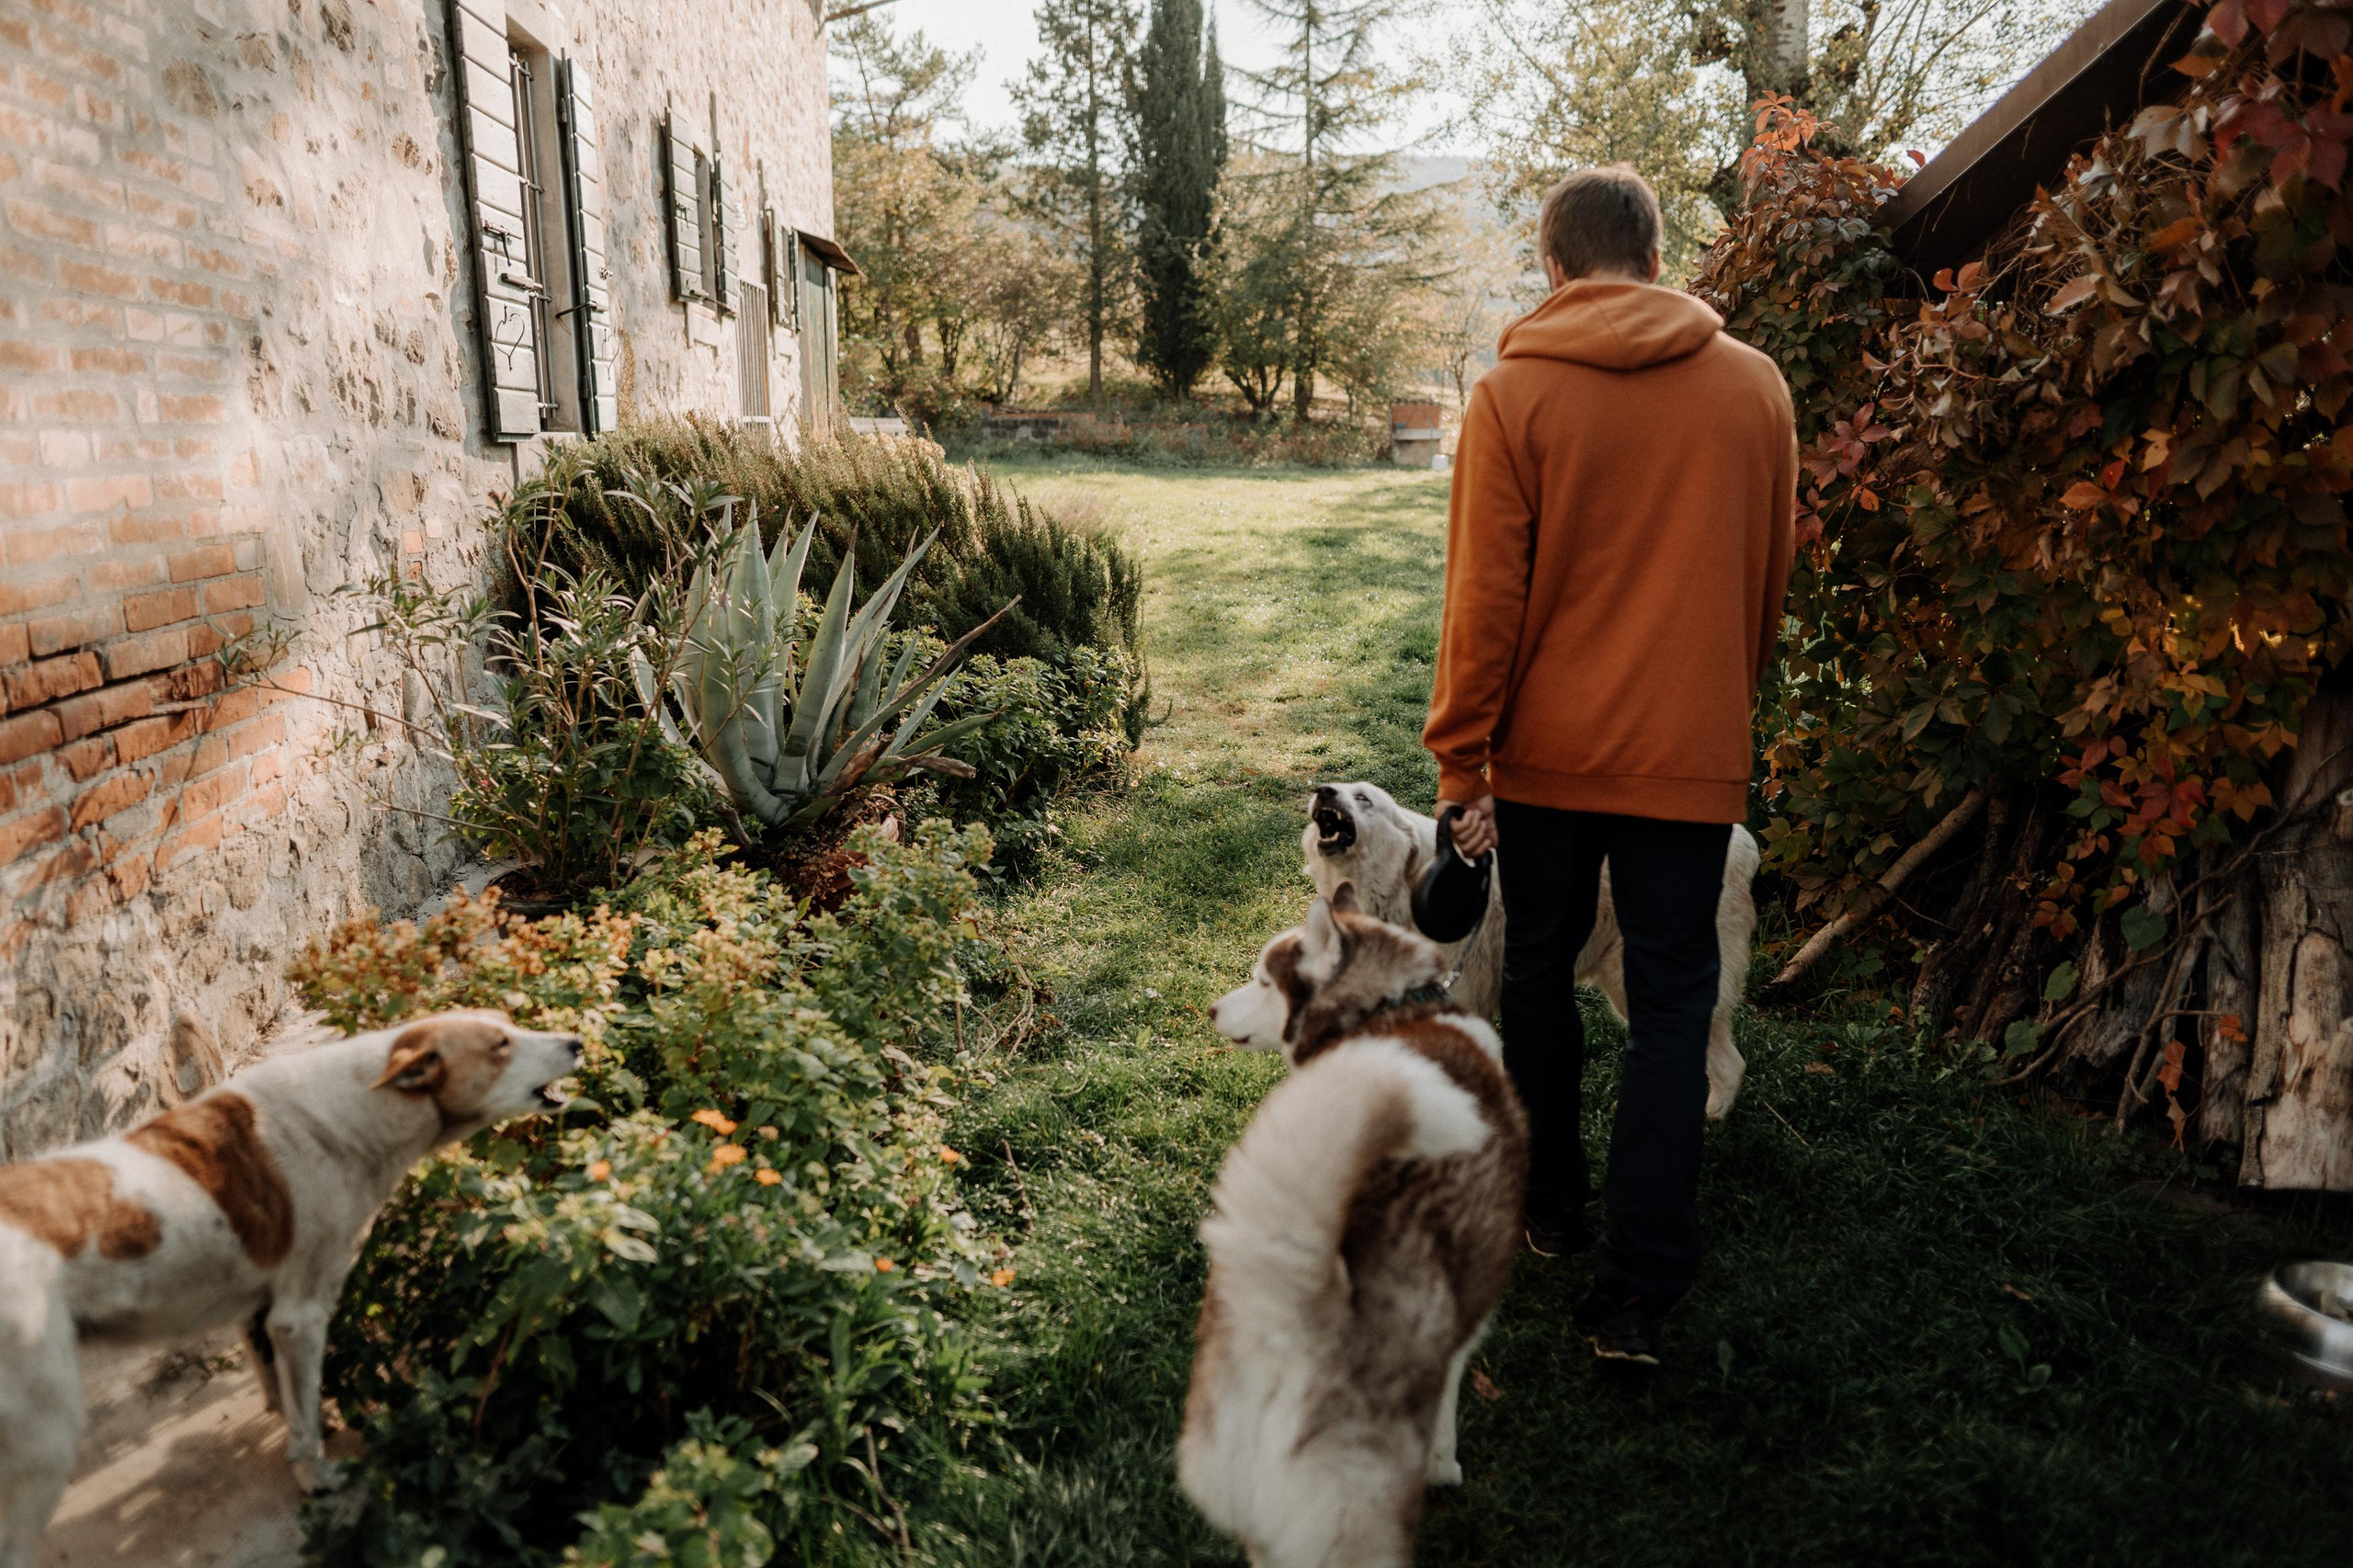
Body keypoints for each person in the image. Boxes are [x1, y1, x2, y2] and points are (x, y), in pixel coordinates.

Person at [1422, 165, 1796, 1367]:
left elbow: (1482, 603)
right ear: (1656, 253)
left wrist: (1461, 763)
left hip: (1545, 759)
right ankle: (1637, 1290)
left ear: (1552, 265)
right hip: (1691, 748)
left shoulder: (1512, 396)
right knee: (1673, 999)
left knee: (1536, 968)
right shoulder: (1757, 389)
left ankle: (1548, 1204)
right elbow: (1766, 578)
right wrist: (1718, 706)